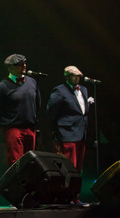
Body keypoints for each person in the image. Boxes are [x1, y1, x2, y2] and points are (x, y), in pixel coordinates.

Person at [46, 66, 90, 205]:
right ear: (67, 76)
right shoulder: (60, 90)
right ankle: (65, 196)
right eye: (74, 76)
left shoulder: (83, 90)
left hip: (81, 133)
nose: (77, 78)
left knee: (78, 168)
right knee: (69, 167)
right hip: (67, 133)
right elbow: (51, 112)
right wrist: (56, 131)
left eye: (78, 76)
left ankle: (74, 196)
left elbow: (82, 111)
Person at [0, 54, 41, 166]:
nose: (24, 66)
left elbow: (37, 103)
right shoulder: (3, 86)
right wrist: (6, 124)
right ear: (10, 68)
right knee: (16, 163)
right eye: (19, 65)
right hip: (14, 129)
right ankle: (16, 183)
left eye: (24, 63)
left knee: (30, 162)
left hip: (30, 128)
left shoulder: (32, 82)